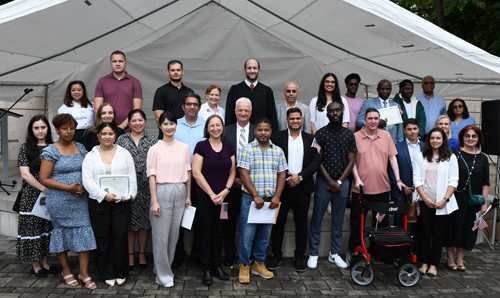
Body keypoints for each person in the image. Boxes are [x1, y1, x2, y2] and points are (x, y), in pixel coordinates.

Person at [39, 114, 97, 289]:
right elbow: (44, 179)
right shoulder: (51, 150)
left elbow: (89, 170)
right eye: (64, 128)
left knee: (84, 232)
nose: (69, 132)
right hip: (59, 200)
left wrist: (87, 186)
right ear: (57, 130)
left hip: (80, 200)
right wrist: (69, 188)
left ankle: (84, 273)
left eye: (72, 128)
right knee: (61, 233)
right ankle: (66, 270)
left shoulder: (80, 147)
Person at [82, 122, 137, 287]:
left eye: (110, 134)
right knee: (103, 238)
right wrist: (103, 195)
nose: (107, 137)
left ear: (115, 135)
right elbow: (87, 181)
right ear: (98, 135)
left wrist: (130, 195)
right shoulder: (90, 156)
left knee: (120, 238)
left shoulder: (124, 153)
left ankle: (121, 271)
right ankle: (107, 272)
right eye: (104, 134)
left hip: (121, 202)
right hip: (99, 203)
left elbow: (132, 177)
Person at [269, 108, 321, 271]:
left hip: (302, 187)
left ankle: (299, 257)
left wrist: (300, 177)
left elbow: (316, 160)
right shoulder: (277, 137)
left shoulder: (311, 138)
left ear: (302, 119)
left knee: (301, 224)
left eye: (298, 118)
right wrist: (285, 176)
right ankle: (276, 255)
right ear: (286, 120)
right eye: (292, 119)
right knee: (278, 223)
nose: (295, 121)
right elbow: (271, 159)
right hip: (282, 187)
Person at [348, 108, 406, 255]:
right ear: (365, 120)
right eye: (370, 118)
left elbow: (392, 158)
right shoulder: (355, 136)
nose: (373, 121)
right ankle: (355, 251)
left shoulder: (386, 136)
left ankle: (379, 252)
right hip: (360, 189)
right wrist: (357, 179)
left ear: (379, 120)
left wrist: (398, 180)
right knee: (357, 223)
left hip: (382, 188)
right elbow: (352, 161)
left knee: (381, 223)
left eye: (376, 118)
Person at [305, 102, 356, 269]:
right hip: (323, 182)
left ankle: (334, 253)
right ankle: (313, 253)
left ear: (342, 112)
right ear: (327, 114)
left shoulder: (349, 134)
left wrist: (339, 182)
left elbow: (352, 161)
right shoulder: (319, 134)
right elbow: (317, 160)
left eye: (337, 110)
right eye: (331, 111)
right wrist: (330, 182)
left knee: (338, 220)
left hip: (342, 183)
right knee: (317, 218)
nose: (335, 113)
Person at [237, 118, 287, 284]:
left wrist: (277, 196)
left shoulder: (278, 151)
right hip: (250, 200)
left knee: (265, 236)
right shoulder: (247, 149)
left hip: (270, 202)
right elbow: (243, 173)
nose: (263, 133)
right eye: (260, 130)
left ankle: (258, 263)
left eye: (266, 130)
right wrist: (255, 195)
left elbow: (282, 174)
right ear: (255, 131)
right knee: (247, 236)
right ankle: (244, 264)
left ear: (270, 131)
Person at [147, 111, 192, 288]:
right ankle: (163, 275)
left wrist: (188, 196)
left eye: (172, 123)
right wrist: (154, 201)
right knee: (160, 236)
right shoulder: (154, 149)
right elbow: (151, 176)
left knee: (173, 235)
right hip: (162, 191)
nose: (169, 127)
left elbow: (188, 174)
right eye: (165, 124)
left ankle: (162, 268)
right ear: (160, 126)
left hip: (180, 190)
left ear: (176, 125)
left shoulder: (184, 148)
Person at [192, 115, 236, 285]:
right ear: (207, 128)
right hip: (204, 198)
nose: (215, 128)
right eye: (212, 125)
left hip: (224, 199)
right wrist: (211, 194)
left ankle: (217, 266)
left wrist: (225, 191)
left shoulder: (229, 147)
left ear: (222, 127)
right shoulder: (201, 146)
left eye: (218, 125)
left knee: (219, 232)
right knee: (205, 233)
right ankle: (206, 269)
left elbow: (232, 172)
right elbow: (196, 172)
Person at [413, 127, 459, 277]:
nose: (435, 141)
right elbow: (417, 179)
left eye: (438, 138)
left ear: (443, 140)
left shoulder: (451, 157)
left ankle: (433, 265)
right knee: (424, 233)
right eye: (432, 138)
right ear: (428, 140)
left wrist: (445, 200)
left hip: (443, 204)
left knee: (438, 235)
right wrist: (425, 199)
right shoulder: (421, 156)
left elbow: (454, 181)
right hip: (425, 201)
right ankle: (424, 262)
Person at [116, 110, 158, 271]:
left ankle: (141, 254)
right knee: (129, 222)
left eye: (140, 120)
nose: (137, 123)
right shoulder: (121, 140)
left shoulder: (153, 140)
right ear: (129, 122)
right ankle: (129, 255)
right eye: (134, 120)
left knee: (144, 221)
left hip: (148, 186)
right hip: (128, 185)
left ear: (145, 121)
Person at [16, 115, 57, 278]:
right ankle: (35, 265)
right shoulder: (25, 148)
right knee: (33, 230)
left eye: (43, 127)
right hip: (31, 195)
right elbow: (25, 175)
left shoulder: (54, 147)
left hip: (50, 194)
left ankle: (45, 262)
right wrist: (42, 187)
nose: (40, 131)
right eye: (36, 128)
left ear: (48, 128)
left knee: (47, 229)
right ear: (31, 130)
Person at [445, 125, 489, 272]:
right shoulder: (454, 155)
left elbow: (486, 182)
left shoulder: (482, 157)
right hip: (454, 198)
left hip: (473, 201)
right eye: (467, 136)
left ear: (478, 139)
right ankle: (450, 258)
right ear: (462, 137)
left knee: (467, 229)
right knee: (451, 227)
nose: (470, 139)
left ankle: (460, 259)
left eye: (474, 136)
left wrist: (483, 204)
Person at [221, 97, 256, 266]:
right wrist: (233, 179)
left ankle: (250, 255)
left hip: (253, 187)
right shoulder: (225, 132)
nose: (243, 113)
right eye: (240, 110)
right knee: (228, 221)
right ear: (235, 111)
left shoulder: (258, 132)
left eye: (246, 110)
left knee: (251, 222)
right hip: (230, 186)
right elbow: (222, 159)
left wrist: (247, 181)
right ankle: (229, 253)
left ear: (251, 112)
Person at [172, 93, 206, 267]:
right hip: (178, 178)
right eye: (188, 104)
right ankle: (177, 254)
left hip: (201, 179)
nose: (192, 107)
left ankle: (198, 254)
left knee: (200, 218)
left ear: (199, 107)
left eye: (195, 104)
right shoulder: (174, 125)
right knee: (177, 217)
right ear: (183, 106)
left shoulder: (207, 126)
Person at [94, 50, 142, 131]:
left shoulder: (135, 82)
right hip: (106, 129)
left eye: (120, 61)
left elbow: (137, 108)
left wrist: (122, 126)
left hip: (128, 130)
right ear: (110, 63)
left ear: (126, 63)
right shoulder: (102, 81)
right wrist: (109, 125)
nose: (118, 64)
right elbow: (97, 108)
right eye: (114, 61)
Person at [225, 58, 278, 130]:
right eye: (249, 68)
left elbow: (272, 117)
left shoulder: (267, 91)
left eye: (255, 68)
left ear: (259, 70)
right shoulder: (235, 90)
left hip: (261, 134)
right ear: (244, 70)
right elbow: (229, 116)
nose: (252, 71)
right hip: (240, 134)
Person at [389, 118, 424, 227]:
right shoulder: (397, 147)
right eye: (409, 129)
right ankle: (399, 244)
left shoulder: (426, 147)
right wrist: (400, 185)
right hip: (401, 191)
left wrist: (420, 186)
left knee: (418, 224)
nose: (412, 131)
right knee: (398, 223)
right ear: (404, 131)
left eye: (415, 128)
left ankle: (414, 245)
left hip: (421, 192)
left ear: (418, 129)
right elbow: (391, 170)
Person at [152, 59, 193, 138]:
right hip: (167, 134)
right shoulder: (161, 91)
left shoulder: (189, 92)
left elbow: (193, 114)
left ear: (182, 71)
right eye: (173, 70)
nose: (176, 72)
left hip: (186, 134)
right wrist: (170, 128)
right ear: (168, 72)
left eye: (178, 70)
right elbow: (158, 117)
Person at [355, 79, 403, 144]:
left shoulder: (396, 105)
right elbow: (358, 122)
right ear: (377, 89)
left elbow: (399, 128)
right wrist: (375, 122)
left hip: (392, 143)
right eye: (382, 89)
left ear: (391, 90)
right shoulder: (368, 103)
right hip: (373, 143)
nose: (385, 91)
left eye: (387, 89)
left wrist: (400, 144)